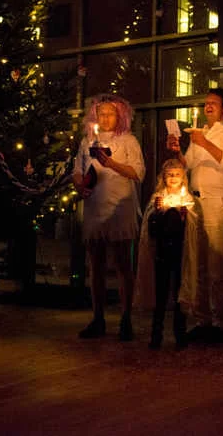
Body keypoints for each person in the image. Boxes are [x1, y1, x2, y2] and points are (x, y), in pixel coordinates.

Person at [167, 88, 223, 343]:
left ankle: (219, 322)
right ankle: (201, 319)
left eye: (213, 103)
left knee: (216, 263)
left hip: (218, 201)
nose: (208, 107)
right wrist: (177, 151)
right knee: (197, 262)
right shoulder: (200, 133)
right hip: (196, 202)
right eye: (206, 103)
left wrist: (204, 143)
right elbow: (187, 165)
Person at [73, 94, 145, 341]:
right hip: (95, 207)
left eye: (109, 114)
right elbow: (78, 170)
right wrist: (80, 186)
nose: (105, 118)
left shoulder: (128, 141)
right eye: (101, 114)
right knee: (96, 266)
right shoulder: (87, 141)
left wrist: (110, 163)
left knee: (124, 265)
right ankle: (98, 318)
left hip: (120, 208)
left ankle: (126, 319)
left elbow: (138, 173)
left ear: (119, 116)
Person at [135, 159, 201, 350]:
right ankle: (156, 334)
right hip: (162, 251)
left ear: (183, 177)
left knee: (180, 292)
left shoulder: (188, 198)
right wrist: (157, 212)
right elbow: (149, 225)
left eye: (177, 174)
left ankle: (180, 334)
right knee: (160, 293)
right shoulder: (157, 197)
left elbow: (194, 223)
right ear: (163, 177)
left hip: (180, 252)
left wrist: (184, 216)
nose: (173, 178)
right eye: (170, 174)